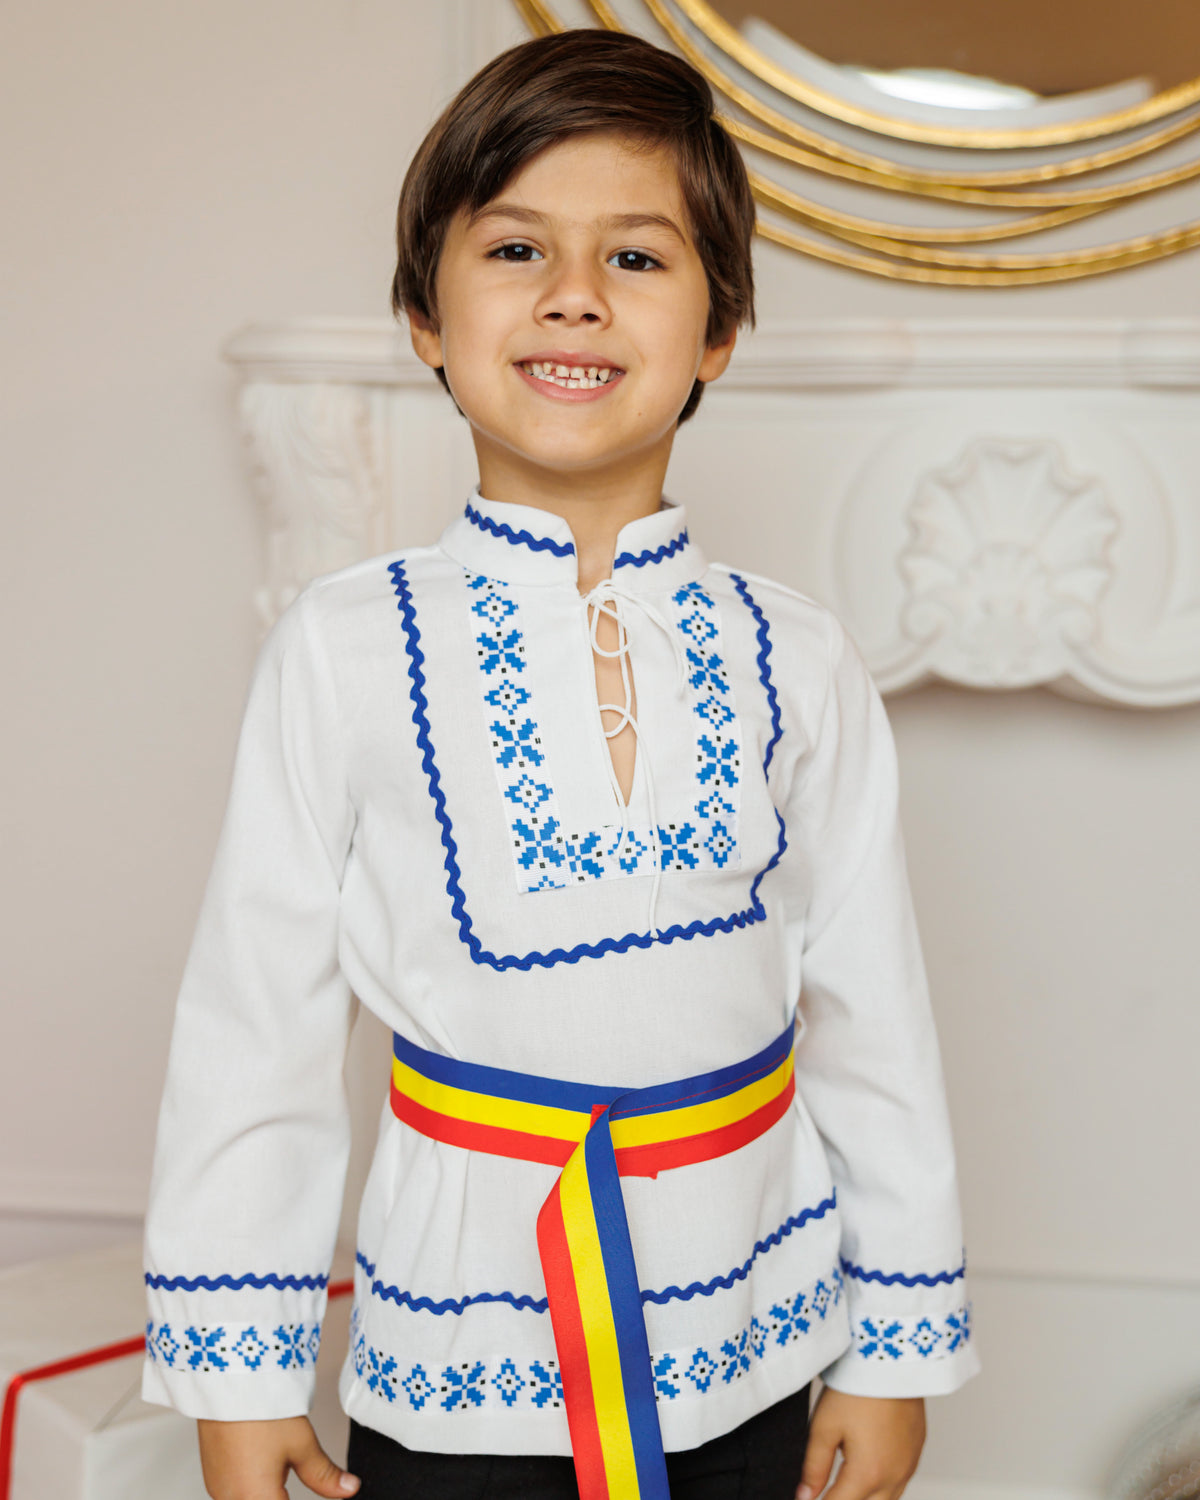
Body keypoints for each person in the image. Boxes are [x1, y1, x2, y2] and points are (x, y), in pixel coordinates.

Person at [142, 27, 979, 1500]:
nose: (575, 295)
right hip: (472, 1355)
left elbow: (875, 1021)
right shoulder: (345, 653)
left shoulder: (801, 660)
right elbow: (255, 1031)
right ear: (425, 314)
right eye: (516, 247)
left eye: (639, 259)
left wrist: (893, 1348)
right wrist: (240, 1374)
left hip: (762, 1335)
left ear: (720, 332)